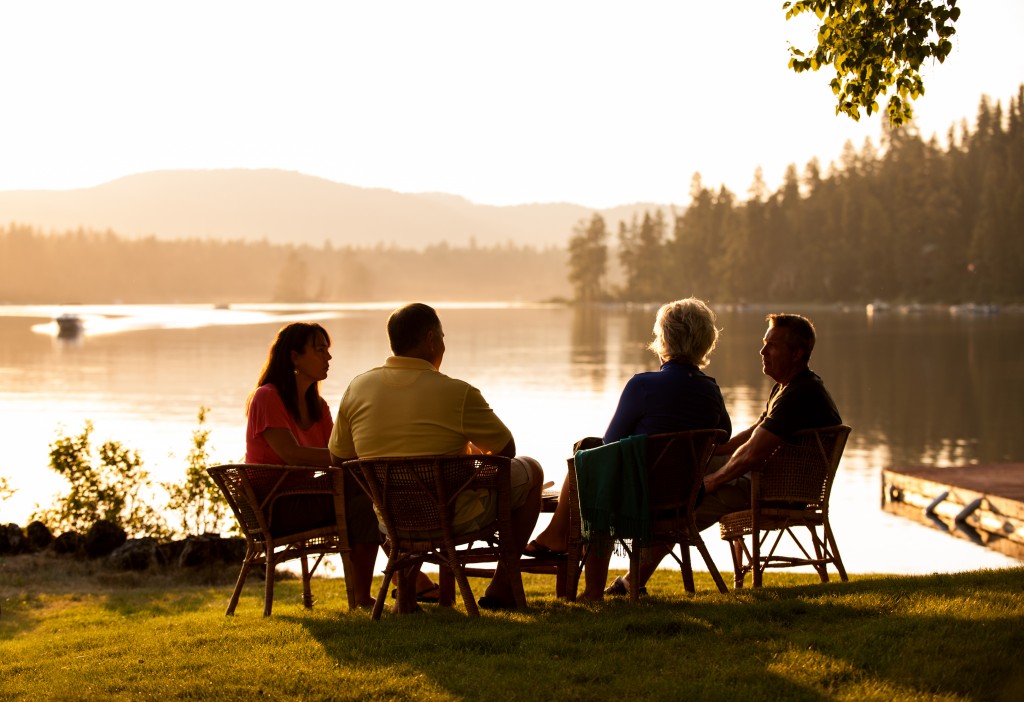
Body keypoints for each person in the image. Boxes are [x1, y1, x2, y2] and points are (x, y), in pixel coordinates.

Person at [328, 303, 545, 612]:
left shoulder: (357, 388)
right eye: (443, 337)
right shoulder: (458, 393)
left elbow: (339, 459)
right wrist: (468, 464)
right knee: (532, 469)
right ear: (431, 339)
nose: (444, 344)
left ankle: (405, 594)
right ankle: (503, 583)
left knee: (413, 493)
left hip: (390, 521)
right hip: (452, 517)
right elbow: (505, 452)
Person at [617, 312, 842, 594]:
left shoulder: (800, 394)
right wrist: (714, 451)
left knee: (684, 508)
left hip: (778, 490)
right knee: (690, 470)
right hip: (770, 479)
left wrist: (711, 482)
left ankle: (631, 582)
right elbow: (754, 433)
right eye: (764, 343)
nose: (762, 351)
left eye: (771, 345)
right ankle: (633, 577)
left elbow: (751, 454)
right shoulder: (788, 388)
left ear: (797, 353)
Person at [526, 298, 731, 600]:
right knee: (592, 454)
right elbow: (722, 437)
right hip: (683, 499)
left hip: (635, 499)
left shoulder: (643, 386)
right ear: (705, 343)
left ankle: (589, 584)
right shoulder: (711, 390)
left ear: (664, 339)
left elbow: (610, 444)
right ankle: (559, 540)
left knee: (590, 452)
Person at [245, 322, 380, 608]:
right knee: (365, 485)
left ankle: (365, 596)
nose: (328, 358)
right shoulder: (267, 397)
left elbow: (339, 453)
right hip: (275, 507)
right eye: (320, 350)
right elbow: (292, 454)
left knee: (365, 498)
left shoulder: (319, 407)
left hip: (308, 498)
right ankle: (404, 580)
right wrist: (354, 457)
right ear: (294, 357)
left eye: (328, 351)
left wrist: (360, 456)